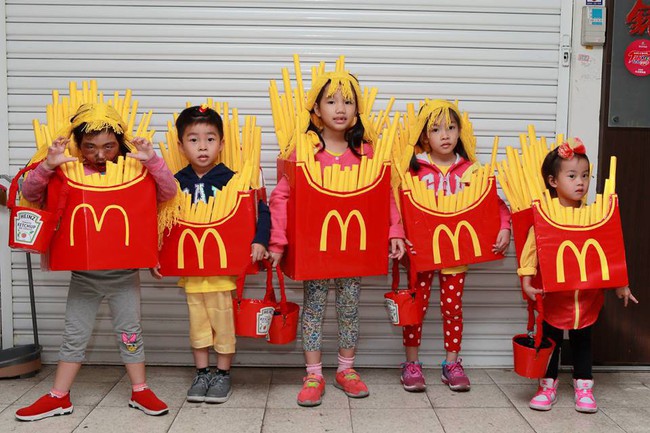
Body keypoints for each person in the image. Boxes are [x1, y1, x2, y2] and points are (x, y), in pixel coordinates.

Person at [16, 103, 177, 421]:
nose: (99, 154)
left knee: (130, 331)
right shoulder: (70, 170)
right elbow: (31, 193)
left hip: (124, 274)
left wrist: (153, 161)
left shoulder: (134, 170)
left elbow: (169, 191)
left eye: (108, 146)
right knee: (74, 334)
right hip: (84, 276)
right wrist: (48, 165)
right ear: (79, 145)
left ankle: (140, 389)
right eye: (90, 146)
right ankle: (59, 396)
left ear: (120, 145)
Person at [268, 70, 406, 407]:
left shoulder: (367, 153)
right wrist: (277, 241)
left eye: (347, 101)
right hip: (313, 251)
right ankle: (313, 373)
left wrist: (395, 231)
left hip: (353, 249)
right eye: (331, 101)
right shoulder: (303, 151)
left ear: (358, 110)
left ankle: (346, 369)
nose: (340, 108)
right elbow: (281, 197)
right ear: (316, 109)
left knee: (349, 308)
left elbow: (384, 195)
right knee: (313, 309)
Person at [155, 104, 270, 404]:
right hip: (192, 274)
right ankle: (202, 371)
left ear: (221, 143)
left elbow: (261, 210)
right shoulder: (175, 183)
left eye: (210, 138)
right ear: (180, 146)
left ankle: (222, 374)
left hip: (223, 274)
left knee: (223, 322)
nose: (202, 146)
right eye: (193, 139)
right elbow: (158, 221)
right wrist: (155, 255)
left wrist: (259, 240)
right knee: (197, 323)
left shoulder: (234, 179)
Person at [399, 100, 511, 393]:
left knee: (453, 308)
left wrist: (504, 226)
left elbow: (494, 203)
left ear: (460, 132)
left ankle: (452, 363)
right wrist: (399, 234)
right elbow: (400, 207)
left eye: (450, 128)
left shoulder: (471, 170)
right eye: (436, 130)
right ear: (425, 137)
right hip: (420, 254)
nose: (445, 135)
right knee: (415, 308)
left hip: (455, 253)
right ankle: (411, 364)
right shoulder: (413, 170)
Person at [518, 138, 637, 413]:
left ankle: (584, 388)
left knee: (583, 341)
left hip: (585, 297)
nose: (580, 182)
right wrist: (526, 279)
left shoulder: (595, 215)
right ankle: (547, 386)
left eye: (584, 175)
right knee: (550, 342)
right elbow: (532, 247)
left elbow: (610, 249)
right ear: (552, 180)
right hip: (554, 298)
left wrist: (621, 284)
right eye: (571, 176)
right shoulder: (547, 215)